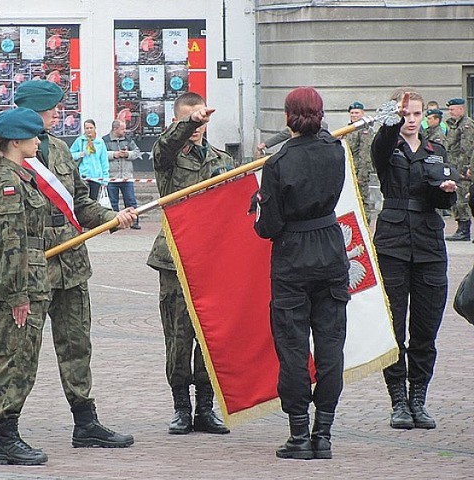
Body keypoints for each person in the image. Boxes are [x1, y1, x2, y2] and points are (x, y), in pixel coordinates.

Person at [14, 79, 136, 448]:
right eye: (51, 110)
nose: (56, 115)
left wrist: (110, 217)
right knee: (18, 349)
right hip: (32, 265)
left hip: (70, 262)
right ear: (35, 111)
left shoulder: (64, 151)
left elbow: (80, 201)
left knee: (76, 345)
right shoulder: (8, 153)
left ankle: (85, 423)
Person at [253, 87, 350, 460]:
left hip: (293, 251)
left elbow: (269, 227)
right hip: (329, 246)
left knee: (293, 346)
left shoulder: (277, 163)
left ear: (287, 116)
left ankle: (298, 433)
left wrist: (258, 211)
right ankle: (323, 432)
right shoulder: (334, 151)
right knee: (330, 345)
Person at [371, 89, 457, 431]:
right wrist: (393, 111)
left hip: (428, 243)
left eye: (416, 114)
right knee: (394, 327)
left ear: (424, 116)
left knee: (425, 327)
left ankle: (418, 398)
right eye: (406, 114)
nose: (411, 120)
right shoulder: (386, 147)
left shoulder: (437, 150)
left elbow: (445, 202)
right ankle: (398, 401)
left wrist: (446, 191)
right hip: (392, 243)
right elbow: (383, 139)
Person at [147, 91, 232, 436]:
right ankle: (181, 406)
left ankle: (206, 407)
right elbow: (165, 146)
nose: (197, 127)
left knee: (210, 336)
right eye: (188, 120)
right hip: (176, 258)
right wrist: (187, 125)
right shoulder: (167, 157)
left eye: (201, 119)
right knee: (179, 337)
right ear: (177, 121)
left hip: (213, 260)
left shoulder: (223, 160)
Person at [0, 107, 51, 465]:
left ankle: (6, 434)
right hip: (21, 286)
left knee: (19, 359)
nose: (38, 140)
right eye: (33, 135)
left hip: (28, 281)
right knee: (15, 361)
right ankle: (6, 437)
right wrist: (18, 295)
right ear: (16, 141)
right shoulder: (9, 183)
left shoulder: (18, 176)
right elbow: (10, 243)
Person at [102, 119, 143, 229]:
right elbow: (101, 154)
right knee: (113, 202)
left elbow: (137, 152)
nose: (125, 131)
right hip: (112, 177)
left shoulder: (128, 139)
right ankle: (114, 224)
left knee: (131, 201)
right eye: (122, 129)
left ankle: (134, 222)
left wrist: (127, 154)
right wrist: (114, 154)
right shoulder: (104, 140)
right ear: (115, 129)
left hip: (126, 177)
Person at [444, 97, 474, 241]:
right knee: (457, 199)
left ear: (461, 109)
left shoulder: (466, 125)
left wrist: (464, 170)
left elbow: (466, 149)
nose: (450, 112)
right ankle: (460, 227)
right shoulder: (454, 125)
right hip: (453, 167)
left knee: (462, 199)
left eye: (452, 109)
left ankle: (464, 230)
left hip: (461, 169)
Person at [344, 101, 376, 222]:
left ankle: (365, 225)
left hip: (359, 171)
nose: (354, 115)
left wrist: (362, 174)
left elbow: (365, 153)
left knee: (362, 201)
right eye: (352, 113)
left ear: (362, 113)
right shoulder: (348, 129)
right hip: (349, 171)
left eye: (357, 113)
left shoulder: (364, 130)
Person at [70, 119, 109, 200]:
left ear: (95, 128)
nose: (89, 130)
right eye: (87, 128)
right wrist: (79, 154)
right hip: (83, 175)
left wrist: (105, 179)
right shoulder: (80, 140)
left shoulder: (100, 142)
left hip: (96, 176)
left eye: (91, 128)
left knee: (93, 200)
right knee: (82, 199)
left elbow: (104, 161)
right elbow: (70, 154)